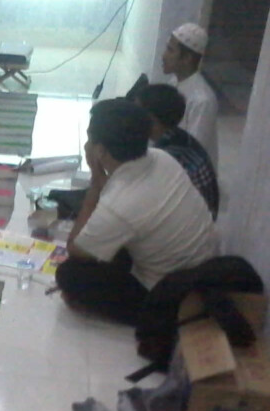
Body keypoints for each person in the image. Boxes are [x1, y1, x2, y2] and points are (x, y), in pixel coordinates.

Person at [55, 99, 217, 326]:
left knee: (69, 274)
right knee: (111, 240)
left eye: (90, 138)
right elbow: (120, 195)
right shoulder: (162, 158)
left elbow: (76, 248)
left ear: (100, 149)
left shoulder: (118, 207)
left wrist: (95, 180)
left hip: (171, 296)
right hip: (207, 267)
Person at [135, 83, 219, 218]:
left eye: (136, 113)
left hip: (190, 225)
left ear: (151, 119)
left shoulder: (166, 158)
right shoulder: (180, 137)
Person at [161, 22, 219, 167]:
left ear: (187, 58)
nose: (163, 56)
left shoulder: (202, 100)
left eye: (170, 50)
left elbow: (192, 152)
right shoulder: (173, 82)